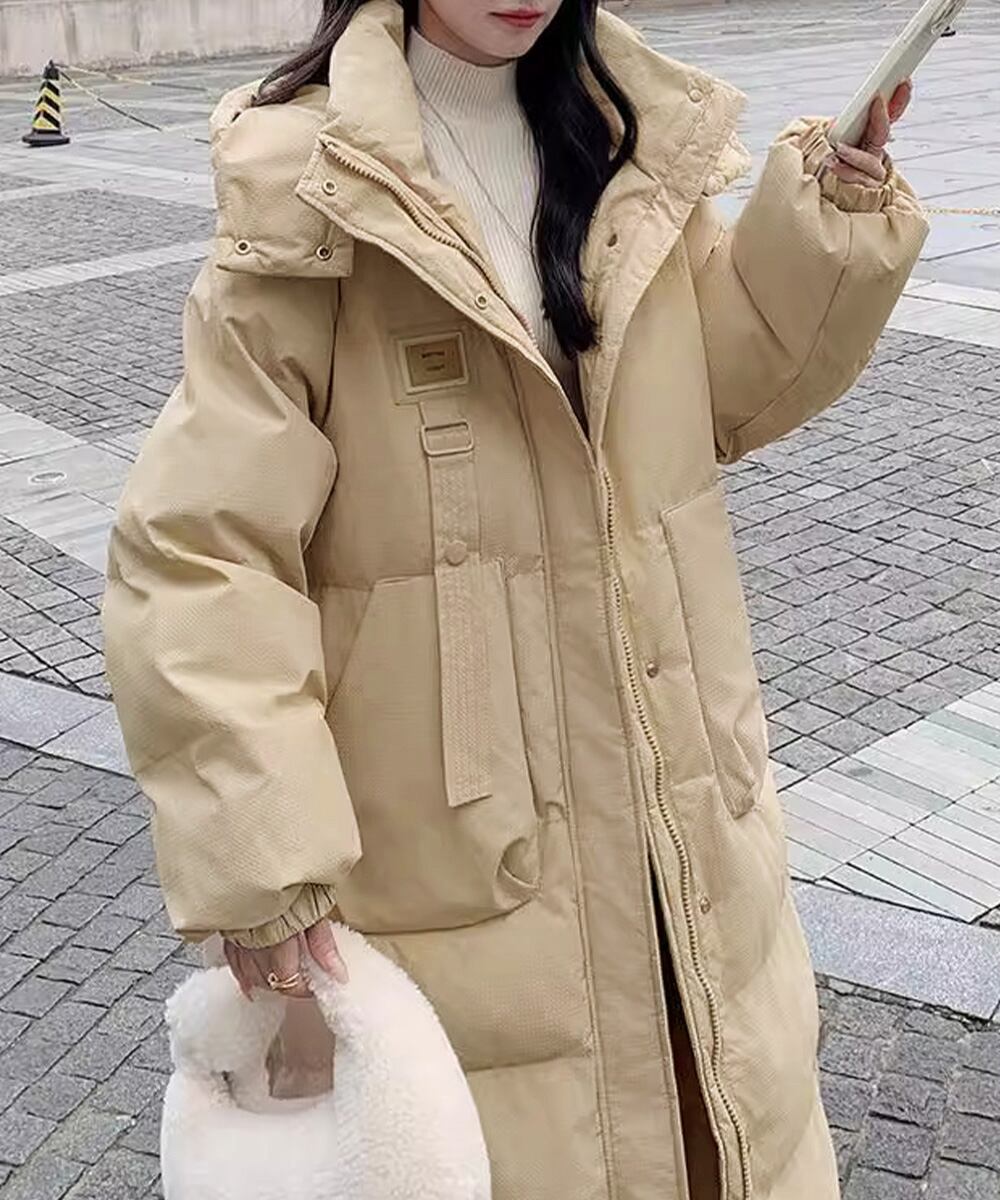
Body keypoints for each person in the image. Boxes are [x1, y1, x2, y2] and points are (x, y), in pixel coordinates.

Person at [102, 1, 927, 1196]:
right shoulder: (315, 188)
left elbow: (729, 378)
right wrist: (262, 857)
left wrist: (832, 210)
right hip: (466, 873)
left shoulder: (629, 140)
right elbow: (201, 548)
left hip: (683, 821)